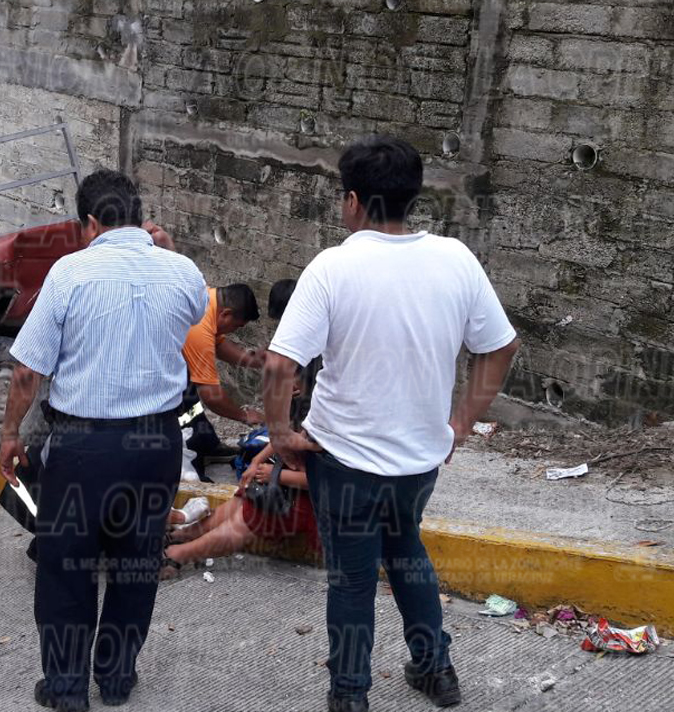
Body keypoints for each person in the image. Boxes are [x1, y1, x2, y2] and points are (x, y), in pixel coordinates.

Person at [262, 136, 520, 712]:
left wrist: (279, 433)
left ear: (353, 200)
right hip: (418, 462)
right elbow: (499, 348)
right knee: (407, 554)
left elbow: (281, 364)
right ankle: (436, 670)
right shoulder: (456, 258)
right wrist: (460, 422)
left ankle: (351, 695)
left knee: (352, 582)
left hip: (344, 461)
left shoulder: (333, 266)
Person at [0, 169, 207, 712]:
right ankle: (115, 679)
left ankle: (67, 690)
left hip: (82, 448)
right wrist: (170, 251)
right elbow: (190, 309)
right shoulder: (181, 271)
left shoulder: (69, 273)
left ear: (88, 222)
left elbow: (27, 372)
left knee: (67, 566)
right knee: (137, 563)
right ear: (140, 215)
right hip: (156, 444)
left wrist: (10, 433)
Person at [162, 279, 319, 577]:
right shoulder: (201, 326)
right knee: (247, 494)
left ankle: (179, 552)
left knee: (256, 511)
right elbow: (214, 395)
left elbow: (320, 472)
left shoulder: (327, 397)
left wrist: (273, 470)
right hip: (295, 469)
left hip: (312, 492)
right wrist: (260, 460)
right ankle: (187, 533)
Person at [180, 283, 267, 470]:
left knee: (191, 401)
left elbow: (220, 345)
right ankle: (191, 461)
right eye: (235, 327)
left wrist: (259, 363)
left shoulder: (210, 300)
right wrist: (245, 415)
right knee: (182, 399)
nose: (233, 332)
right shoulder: (199, 327)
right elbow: (212, 396)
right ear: (226, 314)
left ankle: (206, 444)